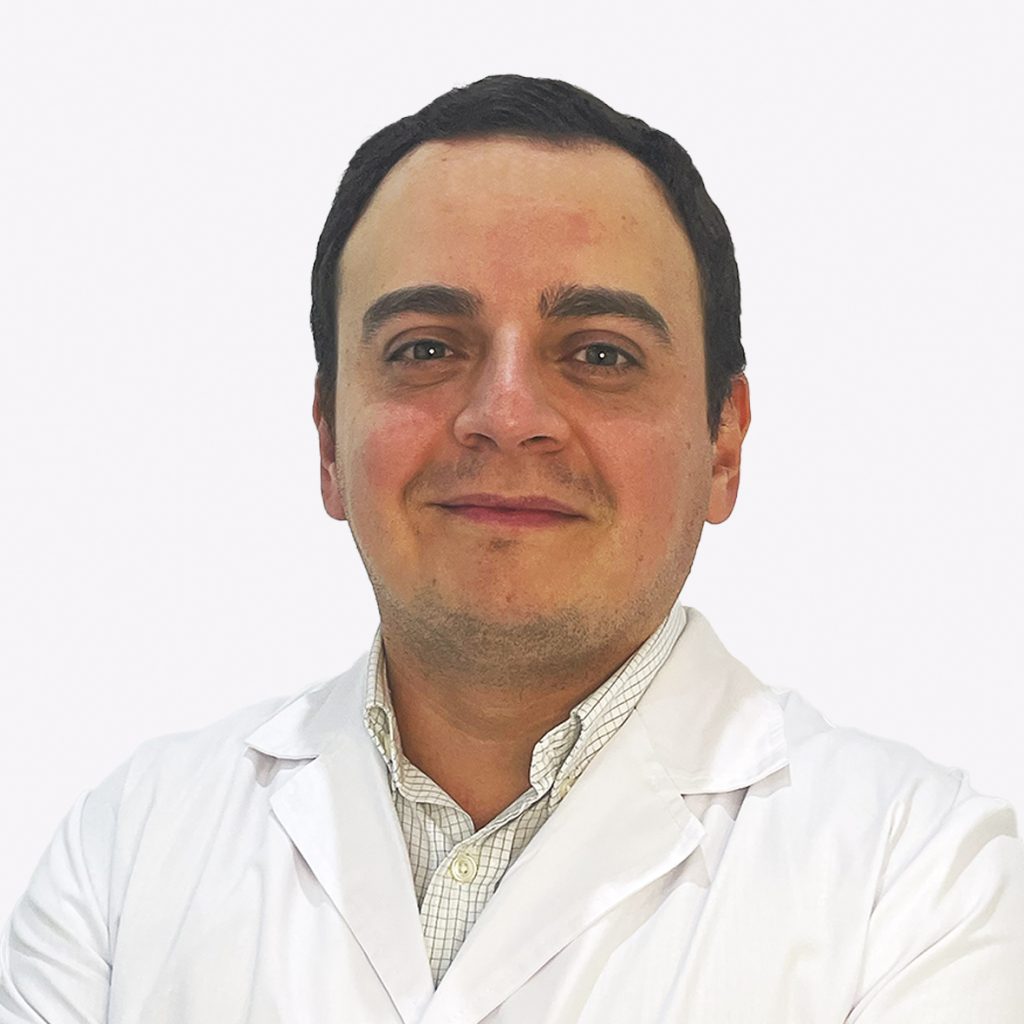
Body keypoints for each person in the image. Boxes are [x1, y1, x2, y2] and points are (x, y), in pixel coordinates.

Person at [2, 74, 1022, 1024]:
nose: (505, 415)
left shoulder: (927, 882)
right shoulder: (127, 852)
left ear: (723, 444)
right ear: (328, 442)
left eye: (600, 354)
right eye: (425, 348)